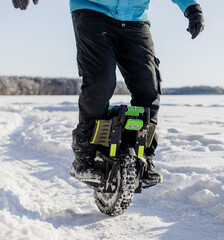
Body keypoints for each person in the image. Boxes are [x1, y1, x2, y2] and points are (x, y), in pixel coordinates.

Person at [12, 0, 205, 188]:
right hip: (92, 11)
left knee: (149, 87)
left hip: (135, 18)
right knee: (101, 82)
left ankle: (144, 155)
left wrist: (192, 8)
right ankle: (84, 157)